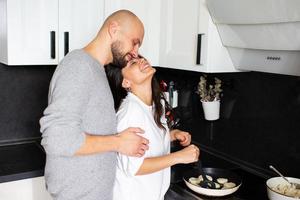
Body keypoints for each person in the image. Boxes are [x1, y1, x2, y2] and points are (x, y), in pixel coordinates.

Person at [39, 10, 150, 200]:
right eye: (134, 42)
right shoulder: (78, 65)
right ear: (113, 29)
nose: (136, 53)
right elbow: (57, 138)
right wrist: (119, 143)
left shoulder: (96, 70)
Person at [105, 57, 200, 200]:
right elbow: (135, 167)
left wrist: (173, 134)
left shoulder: (156, 104)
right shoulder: (131, 112)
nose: (142, 60)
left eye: (140, 58)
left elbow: (148, 140)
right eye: (133, 63)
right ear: (125, 82)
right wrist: (179, 157)